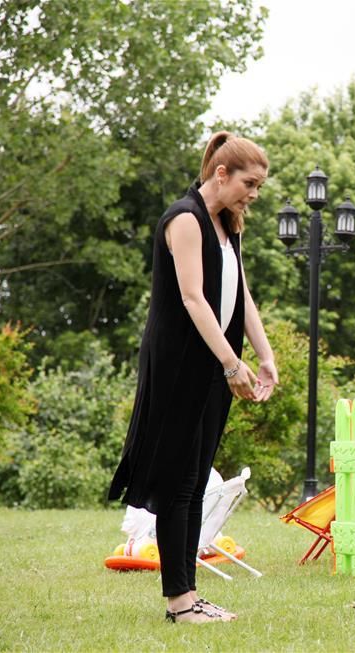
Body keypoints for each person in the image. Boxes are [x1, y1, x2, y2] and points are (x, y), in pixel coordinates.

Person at [108, 131, 278, 624]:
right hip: (181, 366)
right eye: (250, 182)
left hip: (212, 367)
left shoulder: (229, 227)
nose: (254, 193)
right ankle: (180, 603)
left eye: (260, 186)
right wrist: (231, 363)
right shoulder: (185, 219)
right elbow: (192, 299)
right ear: (220, 173)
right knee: (179, 486)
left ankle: (190, 597)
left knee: (195, 482)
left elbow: (240, 295)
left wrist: (263, 356)